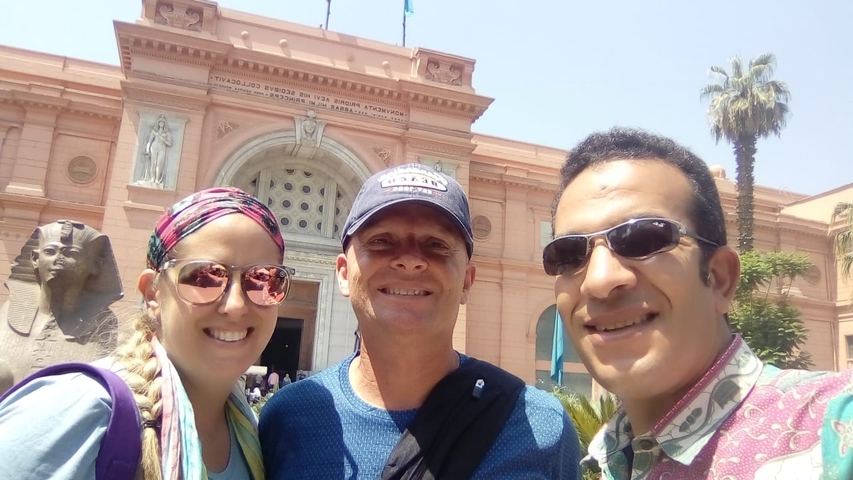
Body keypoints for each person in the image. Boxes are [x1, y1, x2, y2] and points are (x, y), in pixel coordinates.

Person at [545, 127, 853, 479]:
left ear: (719, 278)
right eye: (568, 255)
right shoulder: (610, 459)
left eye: (644, 237)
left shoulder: (833, 426)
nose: (600, 280)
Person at [260, 163, 581, 479]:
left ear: (467, 282)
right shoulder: (285, 419)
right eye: (382, 241)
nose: (410, 260)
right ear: (344, 274)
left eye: (436, 245)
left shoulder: (541, 428)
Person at [0, 187, 293, 480]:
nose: (236, 306)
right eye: (204, 277)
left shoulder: (257, 434)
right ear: (153, 293)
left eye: (264, 280)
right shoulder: (71, 411)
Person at [0, 220, 123, 384]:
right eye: (50, 251)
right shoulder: (9, 313)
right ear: (35, 258)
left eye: (70, 253)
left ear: (96, 265)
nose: (58, 259)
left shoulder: (102, 326)